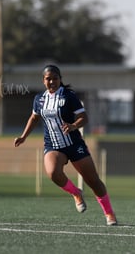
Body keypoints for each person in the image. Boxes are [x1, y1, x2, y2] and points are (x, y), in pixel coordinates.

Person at [14, 64, 117, 226]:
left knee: (94, 182)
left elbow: (84, 117)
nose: (52, 82)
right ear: (43, 81)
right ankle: (76, 193)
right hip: (53, 145)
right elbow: (34, 118)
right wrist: (23, 136)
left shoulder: (68, 96)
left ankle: (109, 213)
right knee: (53, 173)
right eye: (48, 79)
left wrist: (74, 125)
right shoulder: (39, 99)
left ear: (60, 80)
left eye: (55, 78)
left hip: (74, 145)